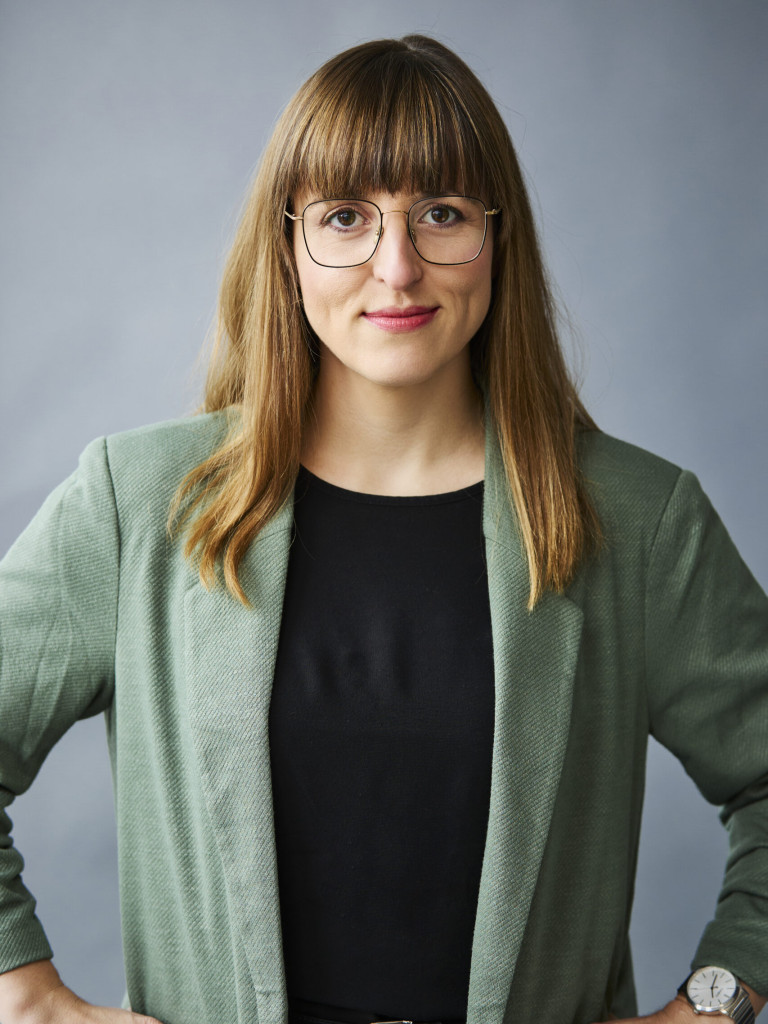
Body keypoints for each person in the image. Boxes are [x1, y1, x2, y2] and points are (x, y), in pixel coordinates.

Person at [0, 33, 766, 1024]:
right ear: (288, 241)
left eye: (440, 214)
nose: (396, 267)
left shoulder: (636, 519)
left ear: (498, 236)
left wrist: (716, 1004)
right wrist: (27, 994)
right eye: (347, 217)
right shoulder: (137, 503)